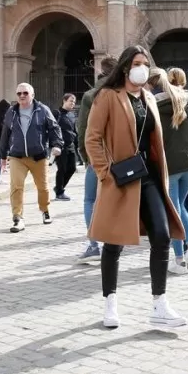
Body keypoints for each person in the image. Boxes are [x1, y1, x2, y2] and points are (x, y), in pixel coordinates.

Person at [84, 46, 187, 328]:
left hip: (149, 174)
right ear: (126, 67)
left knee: (162, 235)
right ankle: (110, 303)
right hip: (120, 176)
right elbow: (92, 138)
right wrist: (105, 173)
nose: (141, 68)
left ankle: (159, 303)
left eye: (145, 63)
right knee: (114, 242)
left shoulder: (149, 98)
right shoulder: (107, 96)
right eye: (137, 63)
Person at [149, 67, 188, 273]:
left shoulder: (154, 104)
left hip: (170, 164)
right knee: (180, 207)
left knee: (174, 211)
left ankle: (181, 258)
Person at [0, 83, 63, 232]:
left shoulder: (42, 110)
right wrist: (3, 156)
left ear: (32, 95)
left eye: (25, 93)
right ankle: (17, 218)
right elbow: (5, 134)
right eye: (19, 93)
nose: (22, 96)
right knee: (16, 187)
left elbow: (54, 128)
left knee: (43, 187)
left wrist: (57, 145)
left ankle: (45, 210)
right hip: (17, 156)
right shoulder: (11, 112)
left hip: (38, 156)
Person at [75, 56, 118, 264]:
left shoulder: (91, 95)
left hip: (97, 154)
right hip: (122, 155)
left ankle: (94, 245)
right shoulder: (126, 93)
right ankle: (115, 241)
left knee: (90, 199)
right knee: (119, 199)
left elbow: (82, 128)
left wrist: (85, 155)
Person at [53, 94, 78, 201]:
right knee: (62, 169)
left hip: (71, 145)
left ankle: (59, 187)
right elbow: (51, 129)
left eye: (74, 102)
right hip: (61, 146)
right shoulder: (57, 114)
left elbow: (74, 130)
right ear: (64, 101)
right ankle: (59, 192)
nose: (72, 103)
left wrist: (77, 144)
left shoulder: (72, 115)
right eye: (70, 101)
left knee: (72, 168)